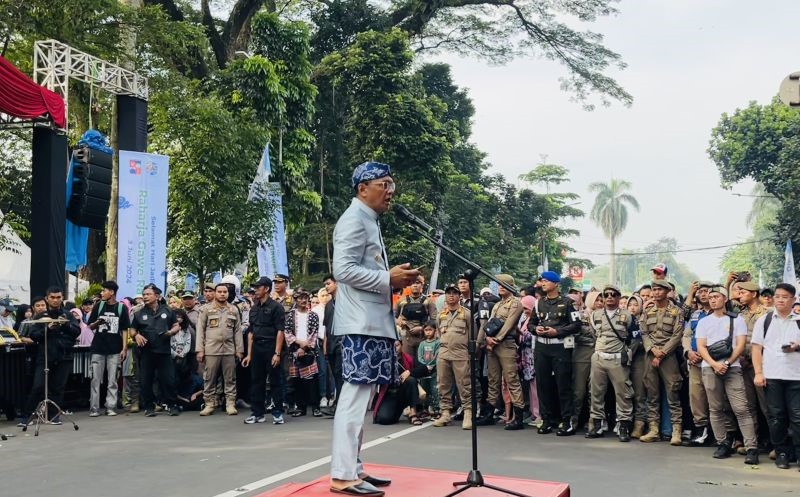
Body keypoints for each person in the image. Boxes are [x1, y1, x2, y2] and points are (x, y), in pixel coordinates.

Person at [330, 161, 419, 497]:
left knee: (363, 396)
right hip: (360, 325)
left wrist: (395, 277)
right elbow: (343, 270)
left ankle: (353, 467)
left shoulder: (368, 219)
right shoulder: (354, 219)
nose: (390, 191)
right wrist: (387, 278)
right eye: (384, 184)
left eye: (391, 183)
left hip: (372, 323)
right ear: (362, 187)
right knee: (354, 397)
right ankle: (342, 475)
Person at [695, 286, 759, 464]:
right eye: (711, 297)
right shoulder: (704, 322)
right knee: (715, 409)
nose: (713, 299)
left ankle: (751, 447)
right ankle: (722, 443)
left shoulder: (737, 320)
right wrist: (715, 364)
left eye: (717, 296)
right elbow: (701, 346)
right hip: (709, 367)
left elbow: (740, 345)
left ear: (725, 299)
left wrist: (727, 363)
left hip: (733, 367)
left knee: (741, 408)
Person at [751, 283, 800, 470]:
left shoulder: (798, 320)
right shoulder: (765, 320)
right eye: (778, 296)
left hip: (796, 376)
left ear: (793, 300)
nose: (780, 299)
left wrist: (797, 346)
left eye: (785, 296)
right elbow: (756, 348)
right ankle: (781, 452)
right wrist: (758, 372)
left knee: (797, 417)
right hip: (772, 375)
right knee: (776, 417)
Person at [528, 271, 581, 436]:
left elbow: (576, 325)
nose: (543, 284)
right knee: (543, 385)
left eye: (546, 281)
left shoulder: (567, 303)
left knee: (563, 384)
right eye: (542, 281)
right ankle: (546, 420)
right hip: (542, 347)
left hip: (560, 347)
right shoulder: (538, 304)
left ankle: (566, 421)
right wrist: (535, 329)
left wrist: (557, 331)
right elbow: (531, 324)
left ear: (556, 284)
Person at [22, 287, 81, 424]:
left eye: (58, 297)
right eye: (52, 297)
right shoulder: (40, 316)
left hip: (64, 355)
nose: (55, 300)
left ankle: (53, 416)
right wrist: (47, 329)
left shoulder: (68, 315)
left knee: (58, 387)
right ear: (47, 298)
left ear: (62, 298)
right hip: (45, 356)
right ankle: (29, 415)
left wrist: (64, 325)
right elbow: (33, 335)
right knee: (38, 386)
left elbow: (77, 331)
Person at [586, 284, 636, 442]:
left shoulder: (627, 316)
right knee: (596, 392)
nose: (609, 297)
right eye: (606, 294)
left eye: (613, 294)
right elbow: (595, 334)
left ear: (619, 297)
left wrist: (628, 354)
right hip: (599, 358)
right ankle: (597, 424)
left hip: (617, 358)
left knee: (623, 393)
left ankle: (623, 425)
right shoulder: (596, 314)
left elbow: (633, 337)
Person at [477, 274, 525, 430]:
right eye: (499, 284)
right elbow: (490, 322)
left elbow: (509, 324)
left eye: (504, 284)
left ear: (511, 286)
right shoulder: (498, 304)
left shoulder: (516, 303)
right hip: (492, 344)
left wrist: (495, 339)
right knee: (493, 379)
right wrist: (487, 339)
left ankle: (518, 417)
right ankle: (489, 414)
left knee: (511, 379)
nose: (501, 287)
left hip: (506, 344)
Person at [639, 280, 684, 445]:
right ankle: (653, 429)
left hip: (668, 357)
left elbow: (677, 335)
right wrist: (652, 349)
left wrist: (663, 352)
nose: (656, 292)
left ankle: (676, 431)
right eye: (654, 289)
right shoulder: (647, 310)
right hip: (650, 355)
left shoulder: (676, 311)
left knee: (673, 393)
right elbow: (643, 332)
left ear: (667, 291)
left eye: (659, 290)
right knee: (652, 394)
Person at [130, 284, 181, 417]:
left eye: (148, 294)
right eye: (144, 294)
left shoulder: (167, 310)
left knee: (168, 380)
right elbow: (132, 329)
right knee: (146, 381)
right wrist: (136, 335)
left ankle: (171, 405)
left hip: (164, 352)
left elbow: (176, 326)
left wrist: (170, 332)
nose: (145, 296)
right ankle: (149, 406)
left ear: (157, 296)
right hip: (146, 353)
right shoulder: (138, 313)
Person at [243, 276, 286, 425]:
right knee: (256, 382)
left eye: (258, 287)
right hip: (256, 348)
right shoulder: (254, 309)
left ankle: (278, 413)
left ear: (266, 289)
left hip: (271, 346)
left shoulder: (276, 307)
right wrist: (249, 354)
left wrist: (277, 353)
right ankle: (257, 413)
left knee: (275, 381)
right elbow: (250, 332)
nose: (255, 290)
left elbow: (280, 331)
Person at [197, 283, 243, 416]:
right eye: (220, 292)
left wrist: (239, 349)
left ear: (228, 294)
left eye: (225, 292)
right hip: (211, 349)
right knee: (209, 378)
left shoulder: (233, 309)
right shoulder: (205, 309)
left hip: (229, 349)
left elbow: (238, 331)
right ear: (215, 293)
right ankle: (209, 404)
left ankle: (230, 403)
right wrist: (200, 350)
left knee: (230, 378)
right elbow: (200, 330)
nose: (222, 294)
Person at [87, 280, 130, 417]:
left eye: (104, 290)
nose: (102, 293)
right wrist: (98, 322)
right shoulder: (98, 306)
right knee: (95, 380)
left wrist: (124, 348)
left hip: (114, 349)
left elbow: (124, 330)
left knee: (113, 380)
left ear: (111, 292)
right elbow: (90, 326)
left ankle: (110, 406)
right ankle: (94, 408)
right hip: (98, 348)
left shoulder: (121, 308)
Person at [433, 285, 473, 429]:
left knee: (464, 384)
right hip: (444, 353)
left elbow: (472, 335)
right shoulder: (441, 315)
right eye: (449, 293)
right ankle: (445, 413)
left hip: (461, 353)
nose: (451, 296)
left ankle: (468, 412)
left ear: (459, 296)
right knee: (443, 384)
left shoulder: (466, 314)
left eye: (454, 293)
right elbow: (439, 331)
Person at [680, 281, 715, 446]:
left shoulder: (720, 314)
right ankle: (701, 431)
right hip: (694, 362)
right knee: (696, 397)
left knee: (715, 398)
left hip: (713, 363)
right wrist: (688, 352)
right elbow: (686, 335)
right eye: (700, 291)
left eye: (707, 291)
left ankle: (721, 435)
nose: (703, 294)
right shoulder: (695, 314)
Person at [285, 288, 322, 417]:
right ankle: (301, 407)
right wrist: (298, 344)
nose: (303, 300)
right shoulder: (290, 315)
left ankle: (315, 407)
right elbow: (287, 332)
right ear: (295, 299)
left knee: (312, 381)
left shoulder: (313, 315)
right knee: (297, 381)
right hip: (294, 352)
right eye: (300, 298)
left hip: (309, 351)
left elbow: (314, 334)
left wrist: (304, 347)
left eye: (305, 298)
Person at [573, 291, 600, 433]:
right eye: (597, 300)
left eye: (601, 300)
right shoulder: (579, 315)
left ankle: (593, 421)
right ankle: (574, 419)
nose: (600, 303)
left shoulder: (605, 317)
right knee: (579, 390)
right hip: (582, 355)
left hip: (598, 355)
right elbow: (574, 334)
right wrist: (594, 342)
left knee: (594, 390)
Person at [395, 275, 437, 357]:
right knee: (407, 362)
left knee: (422, 363)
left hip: (423, 337)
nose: (415, 285)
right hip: (406, 336)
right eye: (412, 283)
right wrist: (400, 322)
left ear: (422, 285)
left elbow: (434, 320)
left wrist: (422, 328)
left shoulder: (428, 301)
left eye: (417, 283)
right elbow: (393, 317)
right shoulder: (401, 301)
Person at [626, 295, 648, 438]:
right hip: (623, 360)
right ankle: (625, 423)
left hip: (640, 359)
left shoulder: (645, 321)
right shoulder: (622, 320)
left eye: (636, 304)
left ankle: (639, 424)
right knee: (625, 394)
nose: (632, 307)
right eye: (630, 305)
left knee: (639, 394)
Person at [517, 295, 539, 427]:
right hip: (526, 358)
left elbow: (532, 337)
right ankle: (533, 412)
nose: (525, 310)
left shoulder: (535, 321)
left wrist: (520, 334)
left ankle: (538, 414)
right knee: (531, 387)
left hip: (533, 357)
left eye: (526, 308)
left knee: (536, 388)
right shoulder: (526, 320)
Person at [322, 275, 341, 415]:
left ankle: (339, 407)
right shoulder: (328, 305)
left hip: (343, 344)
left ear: (336, 283)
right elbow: (326, 328)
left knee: (341, 377)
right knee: (335, 376)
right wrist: (325, 346)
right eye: (325, 284)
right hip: (331, 345)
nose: (326, 286)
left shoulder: (346, 301)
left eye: (328, 283)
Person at [417, 320, 440, 417]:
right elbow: (420, 357)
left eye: (430, 330)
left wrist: (431, 365)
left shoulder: (437, 343)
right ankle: (425, 409)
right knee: (425, 389)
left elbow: (436, 355)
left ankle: (436, 409)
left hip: (434, 370)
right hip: (424, 370)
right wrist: (425, 366)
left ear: (435, 330)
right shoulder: (422, 344)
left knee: (434, 389)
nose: (428, 332)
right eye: (426, 330)